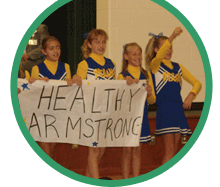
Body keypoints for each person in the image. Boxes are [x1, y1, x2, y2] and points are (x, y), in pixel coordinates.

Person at [145, 27, 202, 164]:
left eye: (171, 47)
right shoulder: (155, 65)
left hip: (178, 110)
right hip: (165, 110)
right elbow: (159, 57)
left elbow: (197, 83)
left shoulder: (178, 67)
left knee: (176, 152)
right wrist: (172, 36)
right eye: (166, 47)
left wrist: (191, 95)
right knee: (169, 151)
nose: (169, 49)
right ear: (156, 50)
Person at [72, 29, 116, 179]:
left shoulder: (111, 64)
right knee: (94, 150)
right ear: (90, 44)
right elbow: (79, 86)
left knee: (101, 150)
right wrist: (76, 79)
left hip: (107, 111)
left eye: (103, 41)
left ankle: (88, 180)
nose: (101, 45)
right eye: (97, 42)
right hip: (91, 111)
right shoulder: (84, 64)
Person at [30, 36, 73, 157]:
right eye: (51, 48)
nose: (56, 51)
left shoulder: (66, 67)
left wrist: (71, 81)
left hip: (58, 113)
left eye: (58, 48)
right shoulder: (36, 69)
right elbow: (31, 91)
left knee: (51, 150)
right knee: (46, 151)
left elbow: (68, 89)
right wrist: (36, 81)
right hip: (41, 113)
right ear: (44, 51)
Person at [118, 43, 156, 178]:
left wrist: (150, 93)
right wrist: (123, 84)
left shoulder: (146, 74)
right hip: (127, 119)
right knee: (127, 151)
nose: (138, 56)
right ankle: (125, 180)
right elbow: (117, 100)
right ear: (126, 56)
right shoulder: (121, 75)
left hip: (142, 118)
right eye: (134, 54)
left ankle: (135, 180)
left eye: (139, 53)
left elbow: (152, 101)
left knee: (138, 151)